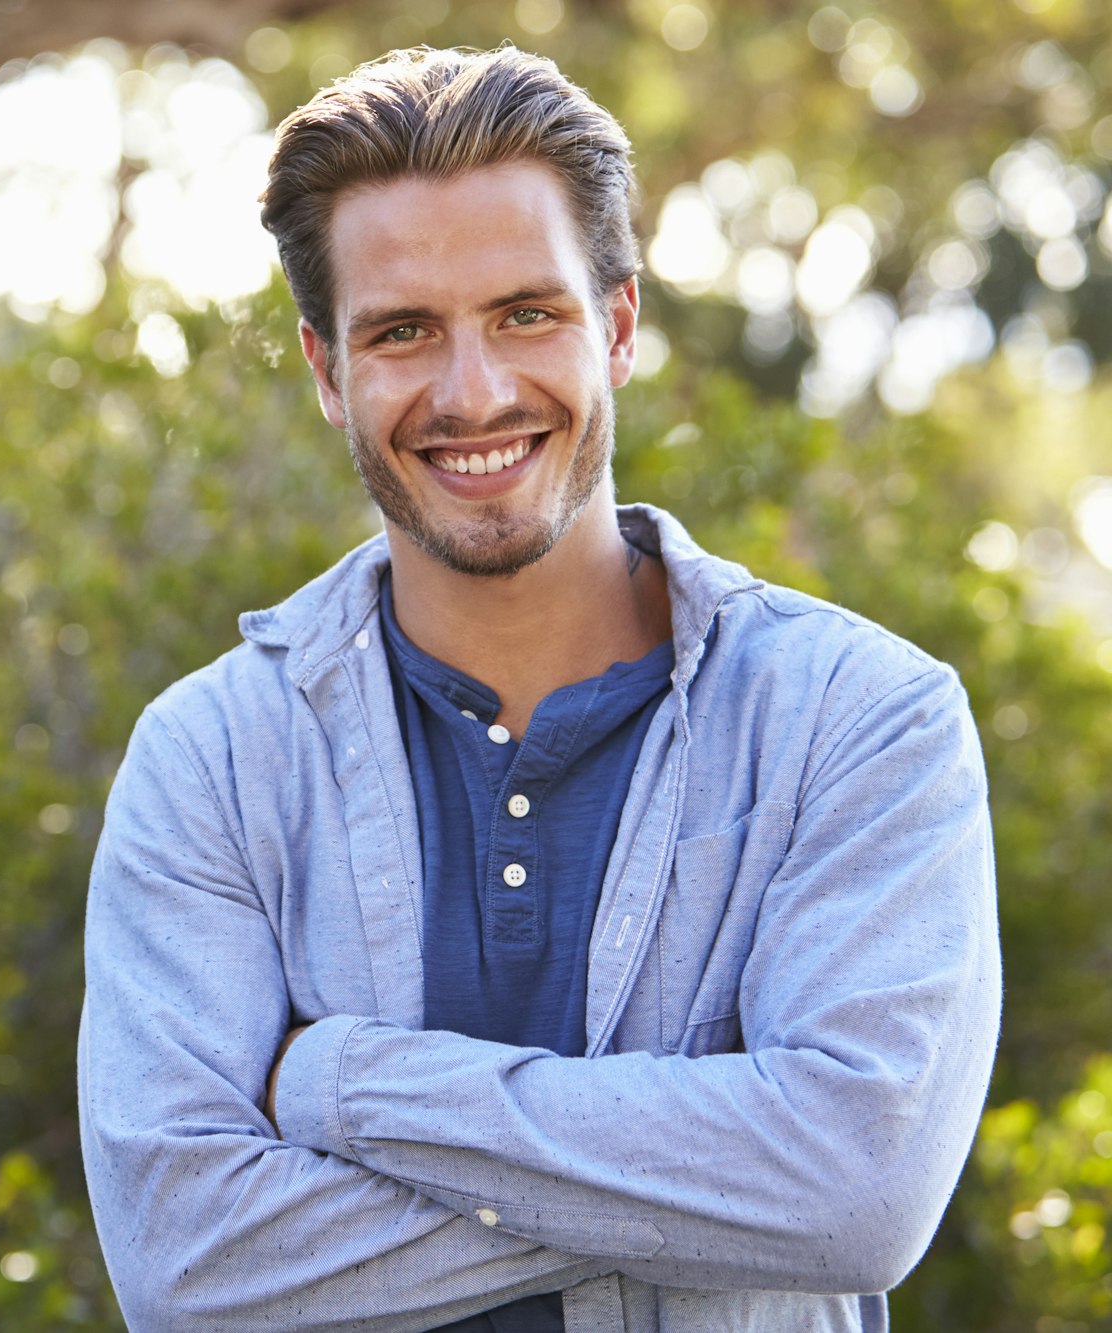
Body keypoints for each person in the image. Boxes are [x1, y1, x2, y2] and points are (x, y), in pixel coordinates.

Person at [77, 45, 1000, 1332]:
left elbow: (853, 1189)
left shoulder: (857, 720)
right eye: (402, 331)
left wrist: (341, 1086)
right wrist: (706, 1169)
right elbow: (184, 1263)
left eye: (526, 312)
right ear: (327, 372)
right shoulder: (213, 759)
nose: (473, 393)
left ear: (615, 326)